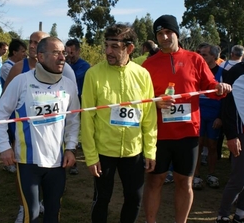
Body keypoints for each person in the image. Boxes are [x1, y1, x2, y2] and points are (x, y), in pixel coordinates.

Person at [142, 14, 231, 223]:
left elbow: (209, 88)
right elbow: (141, 99)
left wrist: (219, 89)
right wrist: (155, 102)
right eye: (159, 34)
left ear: (176, 34)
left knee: (185, 182)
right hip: (159, 135)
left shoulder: (195, 59)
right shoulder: (148, 65)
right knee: (155, 181)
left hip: (188, 134)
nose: (164, 37)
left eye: (168, 32)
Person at [0, 36, 80, 223]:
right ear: (40, 56)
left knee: (53, 213)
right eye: (56, 52)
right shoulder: (21, 81)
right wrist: (4, 147)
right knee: (30, 215)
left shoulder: (69, 85)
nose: (62, 57)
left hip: (57, 163)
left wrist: (71, 148)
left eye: (63, 52)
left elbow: (73, 120)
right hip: (27, 162)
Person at [80, 24, 157, 223]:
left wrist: (150, 150)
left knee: (134, 198)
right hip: (104, 151)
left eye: (114, 46)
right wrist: (90, 156)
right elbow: (87, 118)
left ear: (129, 48)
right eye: (106, 45)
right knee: (102, 198)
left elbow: (148, 116)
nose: (108, 51)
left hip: (134, 151)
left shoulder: (142, 75)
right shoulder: (93, 74)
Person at [215, 35, 244, 223]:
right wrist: (231, 135)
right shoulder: (238, 70)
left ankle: (240, 214)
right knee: (240, 177)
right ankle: (222, 215)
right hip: (241, 131)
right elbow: (228, 105)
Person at [193, 43, 225, 190]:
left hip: (214, 115)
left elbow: (226, 98)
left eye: (204, 54)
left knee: (212, 146)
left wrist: (220, 117)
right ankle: (197, 175)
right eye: (199, 53)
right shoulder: (196, 71)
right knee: (197, 145)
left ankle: (212, 174)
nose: (201, 56)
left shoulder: (222, 72)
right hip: (198, 113)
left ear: (214, 56)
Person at [0, 38, 27, 173]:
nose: (24, 54)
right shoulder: (8, 67)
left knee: (17, 135)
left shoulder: (20, 66)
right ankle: (10, 162)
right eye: (22, 51)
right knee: (13, 135)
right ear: (14, 52)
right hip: (11, 106)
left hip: (18, 106)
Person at [65, 38, 90, 175]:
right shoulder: (64, 63)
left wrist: (66, 66)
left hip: (79, 100)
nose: (70, 55)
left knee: (75, 129)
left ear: (78, 51)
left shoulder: (84, 66)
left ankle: (74, 162)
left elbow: (72, 77)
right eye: (67, 52)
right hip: (64, 100)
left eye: (72, 52)